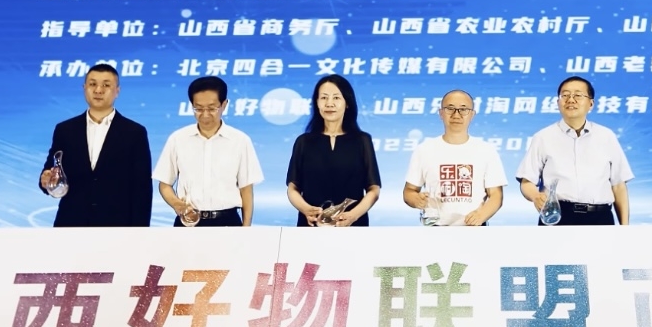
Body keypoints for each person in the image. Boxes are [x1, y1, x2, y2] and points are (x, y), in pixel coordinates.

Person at [38, 63, 153, 227]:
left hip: (117, 226)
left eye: (106, 85)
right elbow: (52, 170)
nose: (98, 90)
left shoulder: (134, 132)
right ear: (84, 88)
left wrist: (140, 231)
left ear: (117, 91)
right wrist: (46, 180)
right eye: (92, 84)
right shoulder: (65, 130)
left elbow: (142, 188)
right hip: (71, 223)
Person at [517, 76, 633, 225]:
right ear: (558, 102)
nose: (571, 100)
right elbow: (526, 181)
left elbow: (618, 186)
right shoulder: (543, 137)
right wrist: (535, 196)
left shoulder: (606, 136)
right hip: (558, 216)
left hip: (600, 217)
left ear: (591, 104)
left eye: (578, 95)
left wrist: (625, 228)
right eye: (565, 95)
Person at [152, 76, 263, 227]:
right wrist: (177, 205)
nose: (205, 114)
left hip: (227, 221)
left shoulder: (240, 140)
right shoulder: (178, 139)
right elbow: (164, 184)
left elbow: (246, 190)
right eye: (198, 109)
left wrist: (246, 227)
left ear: (224, 105)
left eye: (211, 108)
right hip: (189, 221)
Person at [286, 75, 381, 226]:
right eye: (324, 98)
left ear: (347, 103)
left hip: (352, 226)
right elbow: (293, 188)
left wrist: (353, 216)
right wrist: (306, 209)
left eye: (336, 98)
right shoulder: (304, 142)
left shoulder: (362, 141)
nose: (329, 103)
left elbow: (373, 189)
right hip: (311, 226)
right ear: (317, 102)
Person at [403, 89, 507, 226]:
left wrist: (481, 215)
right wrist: (415, 199)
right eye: (450, 108)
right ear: (441, 113)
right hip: (435, 227)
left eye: (463, 109)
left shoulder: (486, 150)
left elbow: (496, 196)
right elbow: (409, 191)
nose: (456, 114)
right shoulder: (424, 150)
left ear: (472, 114)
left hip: (473, 228)